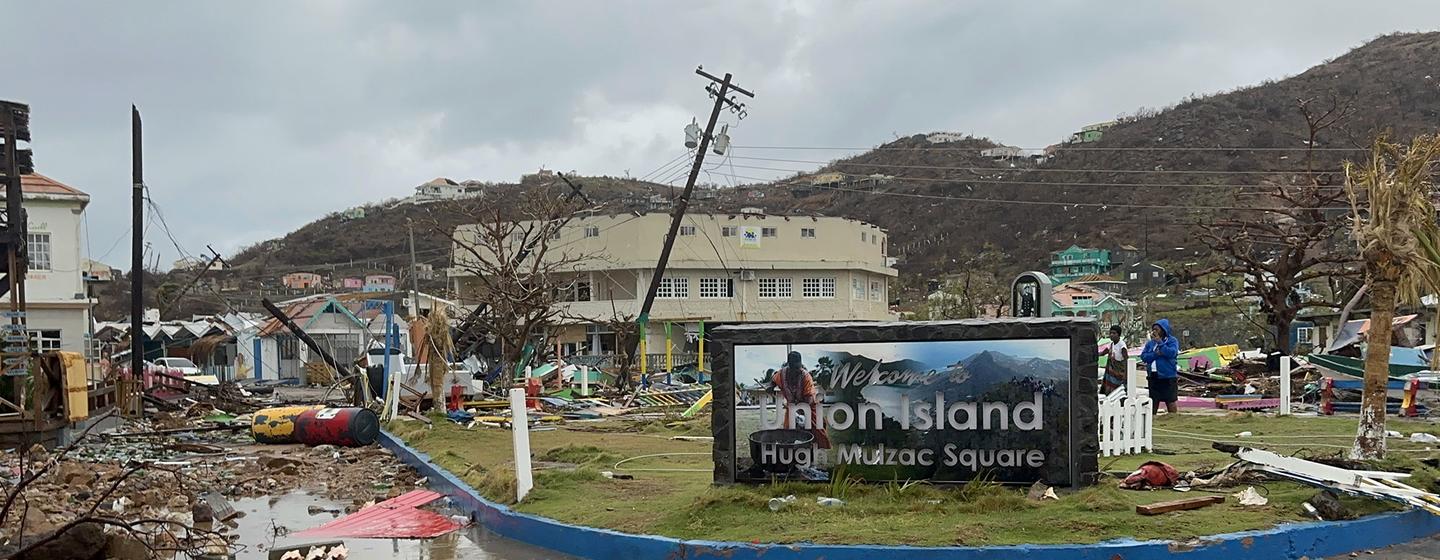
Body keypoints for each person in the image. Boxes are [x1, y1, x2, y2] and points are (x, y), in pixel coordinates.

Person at [769, 351, 832, 449]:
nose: (798, 370)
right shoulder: (782, 374)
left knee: (817, 431)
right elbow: (773, 380)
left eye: (799, 367)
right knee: (789, 432)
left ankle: (815, 449)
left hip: (809, 407)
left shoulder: (806, 377)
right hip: (792, 407)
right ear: (789, 366)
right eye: (795, 368)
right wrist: (770, 387)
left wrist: (801, 414)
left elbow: (810, 399)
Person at [1140, 319, 1180, 414]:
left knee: (1170, 400)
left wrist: (1160, 343)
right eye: (1153, 329)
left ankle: (1173, 417)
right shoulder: (1150, 343)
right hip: (1153, 375)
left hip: (1168, 375)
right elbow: (1144, 357)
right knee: (1154, 400)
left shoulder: (1172, 341)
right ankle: (1152, 418)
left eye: (1157, 329)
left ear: (1163, 330)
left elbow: (1172, 353)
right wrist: (1156, 354)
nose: (1154, 331)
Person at [1101, 325, 1128, 394]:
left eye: (1114, 333)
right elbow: (1104, 352)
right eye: (1110, 333)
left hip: (1119, 371)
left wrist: (1125, 374)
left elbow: (1126, 360)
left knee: (1117, 389)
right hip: (1111, 371)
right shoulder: (1112, 344)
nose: (1111, 335)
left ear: (1118, 334)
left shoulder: (1122, 345)